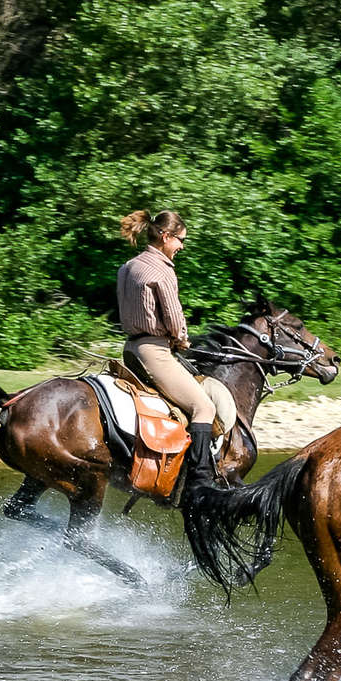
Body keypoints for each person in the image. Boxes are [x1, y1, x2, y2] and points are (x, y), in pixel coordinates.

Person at [116, 209, 222, 499]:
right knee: (205, 408)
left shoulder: (128, 266)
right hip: (156, 353)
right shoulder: (162, 269)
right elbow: (175, 319)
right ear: (165, 236)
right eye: (180, 240)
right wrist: (182, 339)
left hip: (131, 349)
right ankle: (200, 480)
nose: (182, 247)